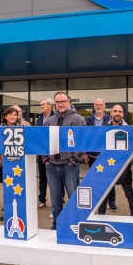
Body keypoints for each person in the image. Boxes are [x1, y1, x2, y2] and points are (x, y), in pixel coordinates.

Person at [43, 91, 85, 230]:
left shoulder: (78, 119)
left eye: (63, 101)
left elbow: (83, 141)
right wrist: (45, 159)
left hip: (69, 166)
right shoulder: (50, 121)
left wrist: (74, 160)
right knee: (55, 201)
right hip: (51, 166)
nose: (60, 104)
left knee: (73, 199)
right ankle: (57, 225)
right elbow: (44, 141)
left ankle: (75, 225)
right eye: (58, 102)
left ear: (69, 102)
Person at [97, 105, 133, 216]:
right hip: (108, 166)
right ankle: (101, 216)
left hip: (124, 166)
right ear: (111, 113)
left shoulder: (129, 129)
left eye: (119, 111)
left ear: (123, 114)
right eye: (115, 111)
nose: (117, 113)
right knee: (104, 193)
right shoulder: (104, 128)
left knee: (129, 193)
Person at [84, 98, 117, 212]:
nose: (99, 106)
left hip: (106, 155)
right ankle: (97, 201)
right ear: (94, 106)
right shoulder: (88, 120)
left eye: (100, 104)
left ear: (104, 106)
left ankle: (111, 202)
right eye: (97, 105)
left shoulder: (110, 119)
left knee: (109, 179)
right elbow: (85, 137)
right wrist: (85, 152)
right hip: (92, 155)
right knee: (94, 178)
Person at [36, 98, 55, 208]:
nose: (41, 106)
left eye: (43, 104)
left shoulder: (56, 117)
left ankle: (58, 200)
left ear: (50, 105)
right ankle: (42, 199)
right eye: (40, 104)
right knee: (42, 177)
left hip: (52, 151)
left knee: (55, 178)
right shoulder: (39, 118)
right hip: (41, 151)